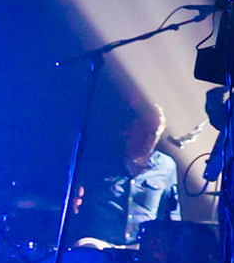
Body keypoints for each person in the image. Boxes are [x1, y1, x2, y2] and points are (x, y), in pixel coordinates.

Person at [75, 104, 179, 248]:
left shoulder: (166, 166)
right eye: (143, 131)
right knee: (85, 247)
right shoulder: (102, 161)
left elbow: (172, 212)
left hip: (142, 248)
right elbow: (77, 195)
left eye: (153, 134)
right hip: (101, 244)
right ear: (127, 129)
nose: (148, 139)